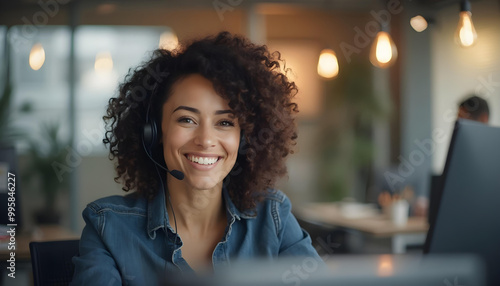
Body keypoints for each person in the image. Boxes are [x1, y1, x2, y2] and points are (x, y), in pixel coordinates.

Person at [70, 31, 322, 285]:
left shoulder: (272, 216)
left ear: (243, 138)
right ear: (154, 132)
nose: (206, 140)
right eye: (187, 119)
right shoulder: (108, 226)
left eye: (224, 122)